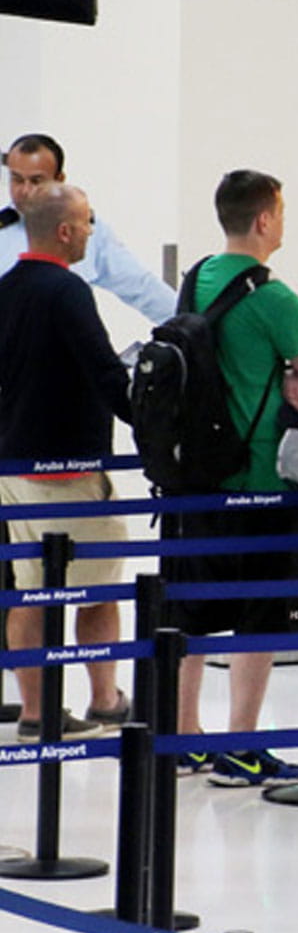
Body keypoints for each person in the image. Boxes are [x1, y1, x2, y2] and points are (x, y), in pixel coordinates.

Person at [161, 170, 298, 788]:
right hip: (259, 476)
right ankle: (242, 746)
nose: (283, 223)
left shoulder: (196, 276)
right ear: (264, 220)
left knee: (192, 611)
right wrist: (293, 376)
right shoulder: (275, 296)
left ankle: (183, 738)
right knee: (260, 617)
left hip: (195, 476)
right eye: (281, 212)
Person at [0, 183, 131, 741]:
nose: (90, 231)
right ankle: (103, 699)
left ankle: (36, 709)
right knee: (100, 582)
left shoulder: (5, 289)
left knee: (30, 586)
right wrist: (151, 423)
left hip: (12, 465)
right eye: (86, 222)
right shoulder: (67, 291)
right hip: (66, 469)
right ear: (64, 231)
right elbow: (104, 371)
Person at [0, 133, 175, 324]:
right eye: (17, 179)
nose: (25, 191)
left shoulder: (86, 231)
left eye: (36, 181)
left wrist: (190, 328)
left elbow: (140, 287)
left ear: (59, 180)